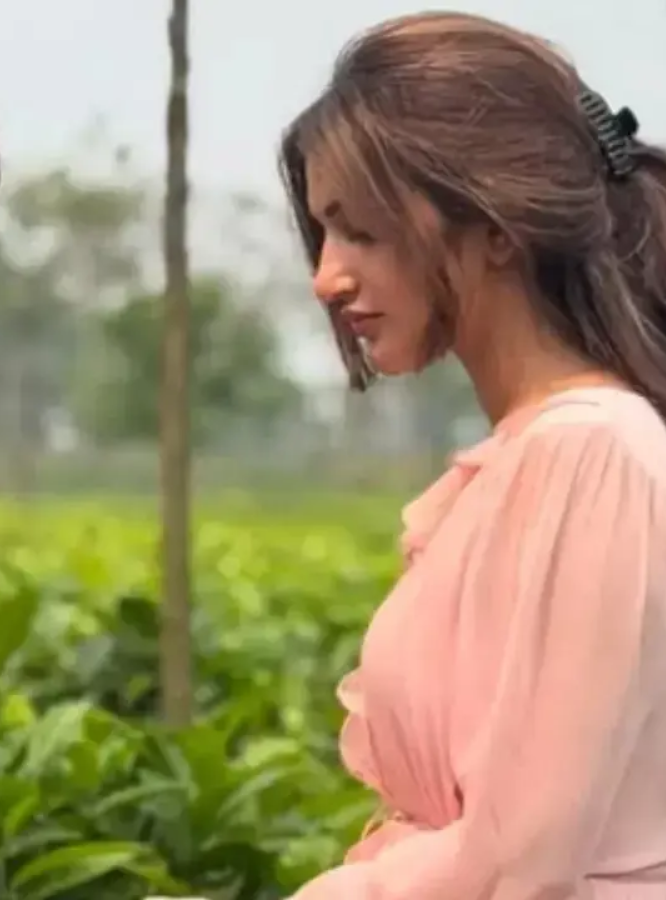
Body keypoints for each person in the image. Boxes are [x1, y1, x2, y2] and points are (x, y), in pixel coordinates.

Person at [279, 11, 666, 898]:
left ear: (496, 225)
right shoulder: (541, 455)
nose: (327, 277)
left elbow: (519, 870)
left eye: (360, 231)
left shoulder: (593, 456)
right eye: (323, 234)